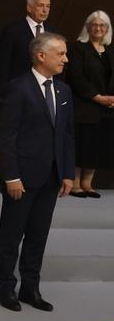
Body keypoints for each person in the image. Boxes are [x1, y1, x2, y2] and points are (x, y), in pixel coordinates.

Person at [0, 33, 75, 312]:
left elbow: (66, 135)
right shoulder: (17, 88)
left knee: (38, 236)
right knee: (11, 235)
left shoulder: (63, 91)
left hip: (51, 177)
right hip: (22, 178)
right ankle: (6, 288)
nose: (66, 59)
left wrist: (67, 173)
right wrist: (11, 176)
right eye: (61, 54)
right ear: (41, 55)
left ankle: (31, 288)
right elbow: (6, 136)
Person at [65, 11, 114, 197]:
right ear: (88, 27)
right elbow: (76, 78)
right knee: (82, 144)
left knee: (98, 145)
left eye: (102, 25)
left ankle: (88, 183)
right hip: (84, 105)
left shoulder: (110, 50)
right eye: (94, 25)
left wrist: (110, 99)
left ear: (107, 29)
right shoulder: (77, 48)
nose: (98, 28)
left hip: (107, 108)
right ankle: (75, 183)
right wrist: (98, 97)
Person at [0, 0, 55, 91]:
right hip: (17, 88)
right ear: (29, 8)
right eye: (40, 5)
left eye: (48, 6)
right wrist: (2, 92)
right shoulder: (13, 30)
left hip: (44, 90)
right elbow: (2, 64)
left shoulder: (53, 33)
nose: (45, 10)